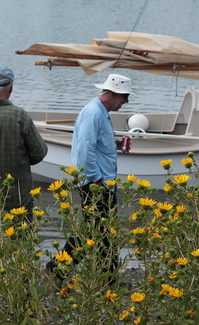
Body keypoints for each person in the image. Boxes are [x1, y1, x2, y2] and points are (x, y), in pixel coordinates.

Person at [46, 74, 133, 281]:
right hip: (95, 183)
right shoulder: (94, 112)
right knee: (96, 232)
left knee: (98, 231)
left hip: (99, 182)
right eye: (125, 96)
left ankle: (105, 276)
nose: (126, 102)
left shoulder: (100, 112)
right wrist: (96, 181)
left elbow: (95, 144)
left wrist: (117, 144)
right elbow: (85, 150)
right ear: (112, 94)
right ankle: (58, 269)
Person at [0, 66, 47, 219]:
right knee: (20, 239)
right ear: (11, 89)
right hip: (17, 196)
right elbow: (39, 153)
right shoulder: (20, 116)